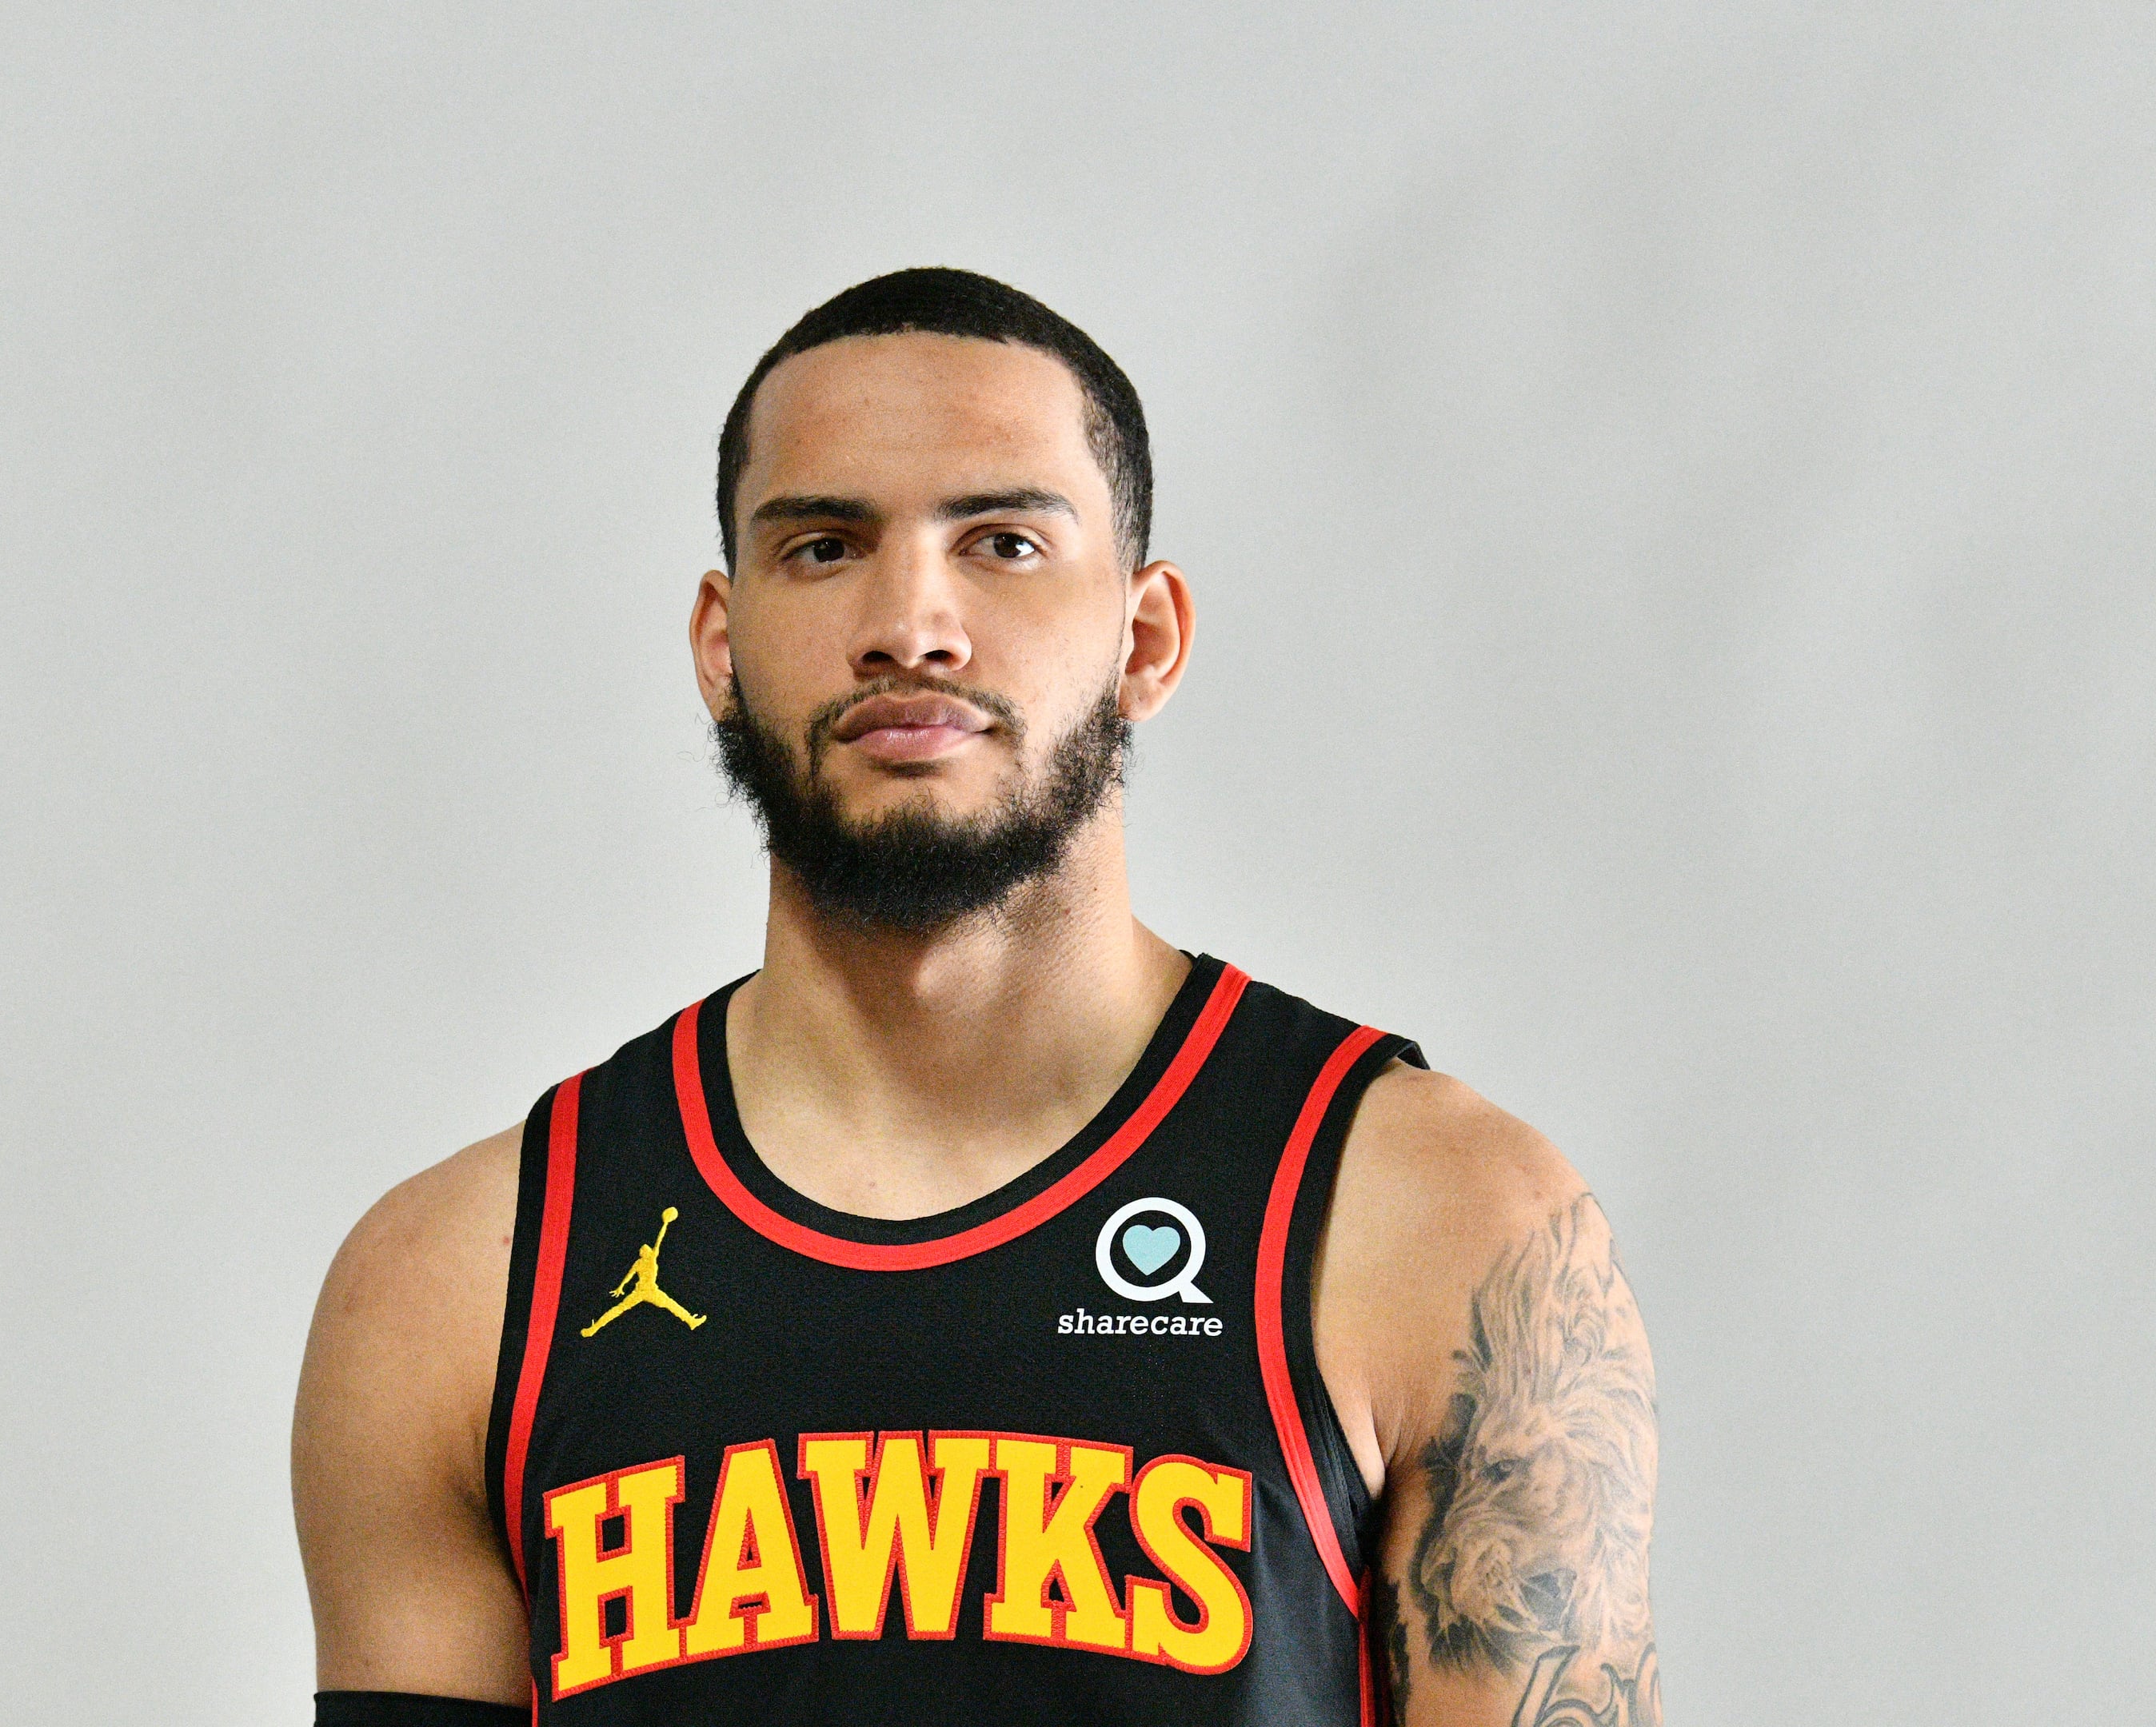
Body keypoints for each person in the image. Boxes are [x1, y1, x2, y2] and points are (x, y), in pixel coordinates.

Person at [292, 269, 1659, 1726]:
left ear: (1146, 639)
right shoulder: (461, 1283)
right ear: (720, 644)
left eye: (1004, 541)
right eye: (823, 547)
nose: (911, 623)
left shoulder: (1443, 1224)